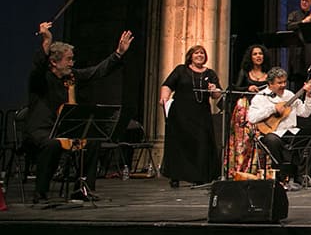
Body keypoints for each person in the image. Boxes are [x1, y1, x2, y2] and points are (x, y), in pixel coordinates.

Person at [25, 22, 133, 203]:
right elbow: (39, 64)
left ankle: (83, 188)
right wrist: (47, 40)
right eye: (68, 59)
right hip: (43, 130)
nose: (71, 63)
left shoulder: (72, 76)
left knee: (92, 141)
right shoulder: (41, 79)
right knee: (52, 144)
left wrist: (118, 54)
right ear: (53, 61)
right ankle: (40, 193)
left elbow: (96, 72)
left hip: (65, 129)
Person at [159, 45, 222, 188]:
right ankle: (175, 176)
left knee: (201, 144)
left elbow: (217, 95)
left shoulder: (210, 73)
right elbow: (167, 85)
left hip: (201, 115)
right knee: (179, 144)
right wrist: (164, 97)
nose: (199, 55)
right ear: (190, 56)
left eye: (202, 53)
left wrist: (214, 89)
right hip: (180, 114)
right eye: (196, 53)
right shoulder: (181, 70)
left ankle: (199, 176)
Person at [245, 67, 311, 188]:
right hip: (273, 132)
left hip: (291, 131)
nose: (283, 85)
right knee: (273, 141)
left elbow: (305, 113)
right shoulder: (260, 97)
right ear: (270, 83)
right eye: (279, 83)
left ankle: (300, 176)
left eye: (284, 82)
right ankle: (281, 177)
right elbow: (251, 118)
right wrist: (272, 109)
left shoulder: (290, 95)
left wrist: (308, 95)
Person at [224, 44, 271, 178]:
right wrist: (247, 88)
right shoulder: (244, 72)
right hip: (246, 109)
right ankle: (240, 170)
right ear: (250, 57)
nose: (258, 56)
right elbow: (234, 88)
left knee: (260, 140)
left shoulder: (268, 74)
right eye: (255, 54)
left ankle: (258, 171)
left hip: (263, 110)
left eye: (260, 54)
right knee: (243, 141)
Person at [287, 0, 311, 89]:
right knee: (298, 83)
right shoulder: (294, 15)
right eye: (302, 0)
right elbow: (289, 26)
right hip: (297, 53)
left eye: (307, 1)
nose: (304, 2)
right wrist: (303, 22)